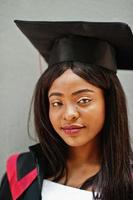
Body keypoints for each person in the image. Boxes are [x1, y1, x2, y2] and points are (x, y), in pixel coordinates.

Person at [0, 20, 133, 200]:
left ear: (109, 103)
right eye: (56, 103)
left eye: (84, 100)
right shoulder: (21, 172)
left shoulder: (128, 182)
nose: (69, 114)